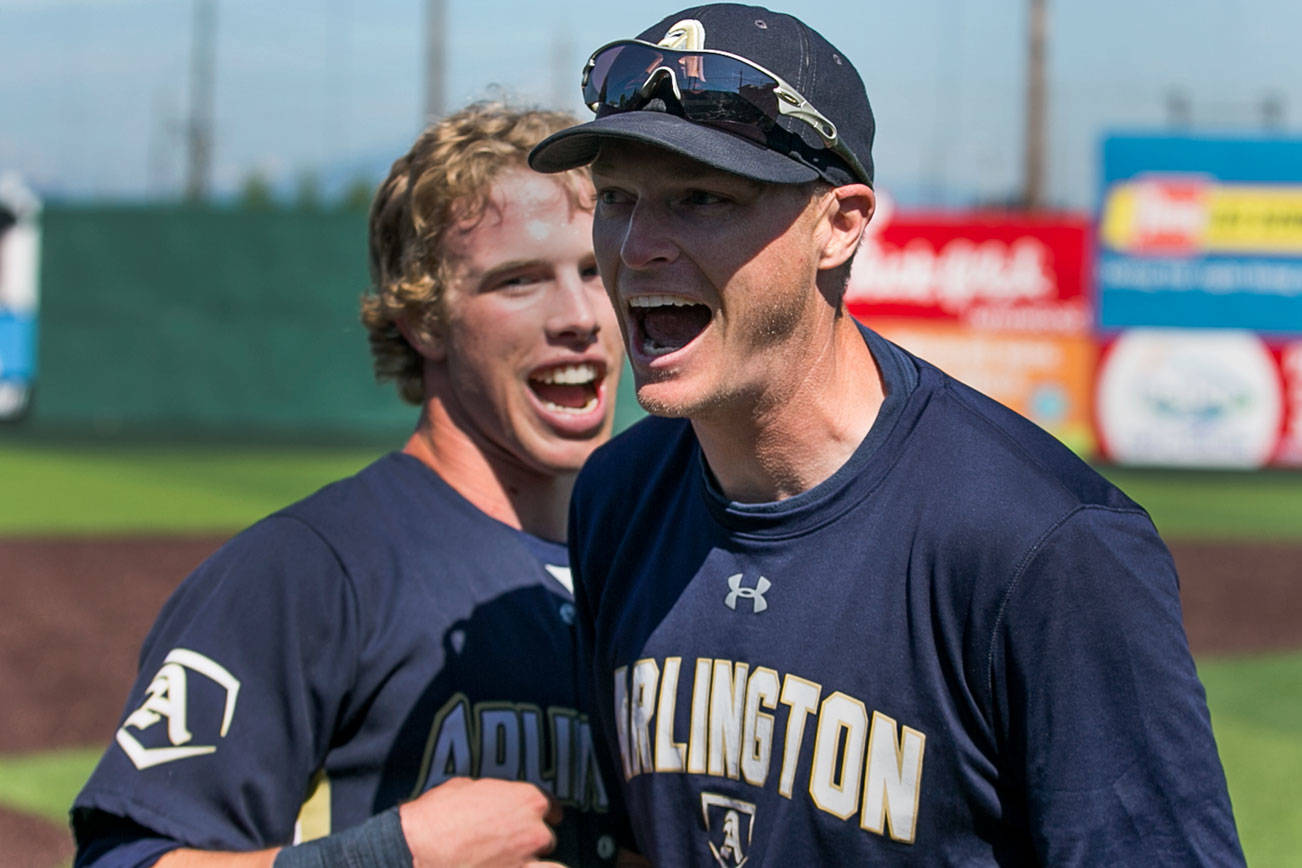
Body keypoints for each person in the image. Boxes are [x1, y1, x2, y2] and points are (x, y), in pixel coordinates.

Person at [528, 4, 1246, 864]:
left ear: (841, 222)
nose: (638, 245)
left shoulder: (1047, 548)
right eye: (616, 199)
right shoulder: (617, 497)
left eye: (702, 199)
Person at [72, 102, 623, 867]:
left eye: (598, 271)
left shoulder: (650, 567)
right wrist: (386, 860)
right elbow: (122, 860)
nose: (579, 316)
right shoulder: (310, 569)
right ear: (423, 319)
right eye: (519, 280)